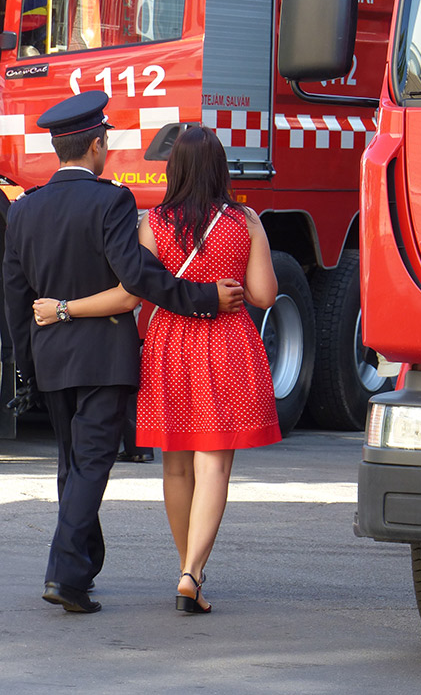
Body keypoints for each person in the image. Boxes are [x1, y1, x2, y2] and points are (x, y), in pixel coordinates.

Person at [3, 91, 245, 614]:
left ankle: (82, 565)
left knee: (72, 465)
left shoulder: (25, 210)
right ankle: (66, 575)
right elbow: (136, 277)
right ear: (97, 144)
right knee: (90, 465)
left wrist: (26, 363)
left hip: (50, 355)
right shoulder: (110, 201)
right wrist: (203, 297)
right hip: (105, 356)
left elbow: (15, 293)